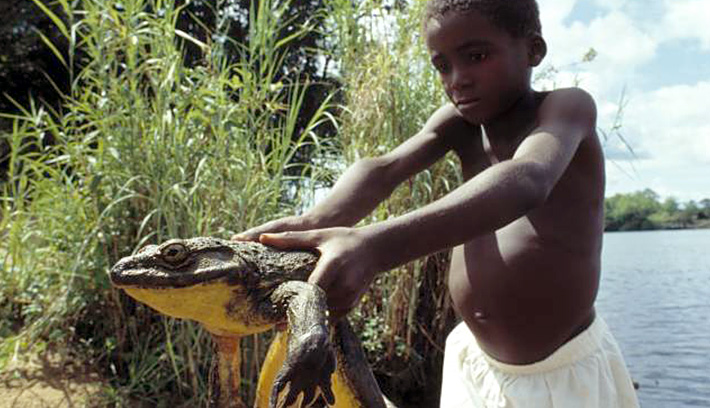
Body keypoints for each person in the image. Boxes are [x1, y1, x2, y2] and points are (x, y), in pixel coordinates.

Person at [234, 0, 639, 406]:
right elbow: (383, 169)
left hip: (563, 376)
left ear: (533, 50)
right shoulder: (458, 126)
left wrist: (373, 247)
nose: (457, 80)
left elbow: (526, 180)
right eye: (442, 66)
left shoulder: (566, 109)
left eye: (476, 57)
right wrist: (314, 219)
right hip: (474, 365)